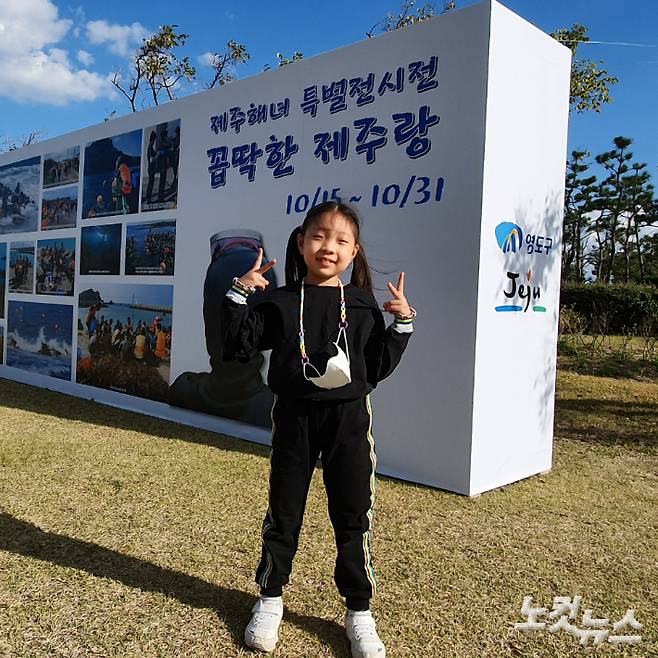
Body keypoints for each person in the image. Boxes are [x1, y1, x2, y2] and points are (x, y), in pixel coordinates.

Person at [222, 201, 415, 657]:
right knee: (284, 511)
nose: (328, 247)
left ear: (354, 252)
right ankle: (270, 600)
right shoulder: (281, 300)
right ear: (301, 242)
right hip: (294, 418)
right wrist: (240, 293)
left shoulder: (364, 305)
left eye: (341, 240)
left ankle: (359, 612)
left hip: (350, 421)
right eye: (319, 236)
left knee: (353, 515)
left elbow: (378, 365)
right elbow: (237, 347)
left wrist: (402, 323)